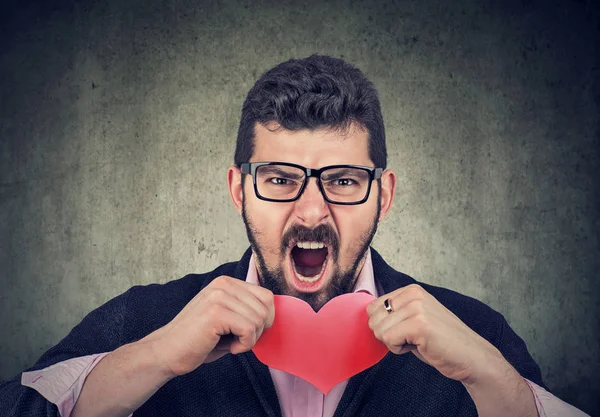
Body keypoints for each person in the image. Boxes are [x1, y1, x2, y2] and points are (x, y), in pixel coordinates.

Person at [0, 55, 588, 417]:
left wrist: (492, 383)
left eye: (342, 180)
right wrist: (153, 358)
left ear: (383, 193)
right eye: (280, 179)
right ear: (238, 188)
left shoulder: (477, 336)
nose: (311, 211)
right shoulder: (145, 319)